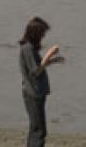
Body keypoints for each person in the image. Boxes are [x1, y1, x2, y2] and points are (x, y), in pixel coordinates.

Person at [19, 17, 64, 147]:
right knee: (39, 130)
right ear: (35, 33)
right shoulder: (27, 48)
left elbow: (37, 66)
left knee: (35, 127)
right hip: (33, 92)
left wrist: (53, 61)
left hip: (35, 91)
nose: (43, 36)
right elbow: (35, 71)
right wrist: (49, 54)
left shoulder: (29, 48)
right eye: (42, 33)